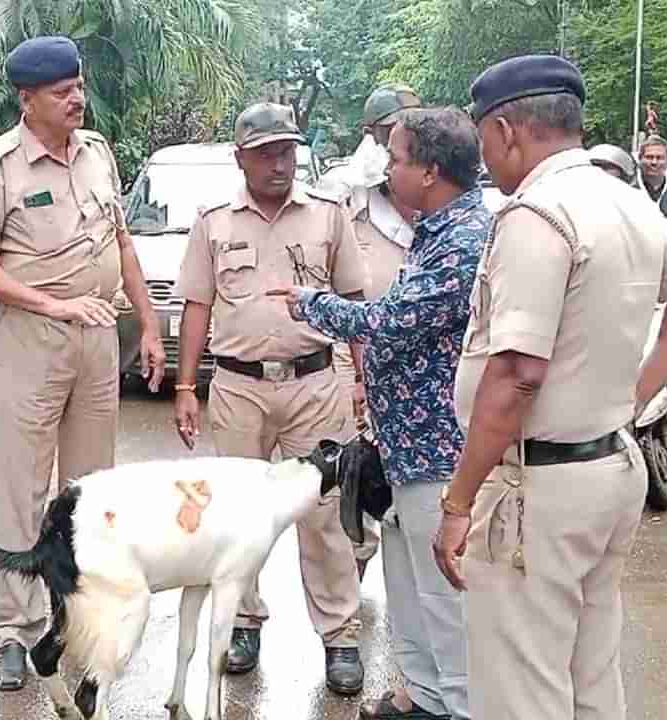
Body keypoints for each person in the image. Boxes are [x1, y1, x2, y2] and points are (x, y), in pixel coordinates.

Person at [433, 55, 667, 719]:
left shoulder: (537, 214)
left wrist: (458, 501)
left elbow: (516, 375)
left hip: (539, 488)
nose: (485, 163)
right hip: (608, 468)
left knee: (522, 690)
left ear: (506, 131)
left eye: (484, 145)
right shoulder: (627, 201)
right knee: (591, 675)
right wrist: (636, 395)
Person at [0, 35, 165, 692]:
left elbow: (120, 241)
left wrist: (150, 323)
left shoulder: (97, 151)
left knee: (89, 491)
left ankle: (72, 615)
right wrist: (55, 304)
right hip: (28, 343)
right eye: (61, 90)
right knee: (21, 491)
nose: (77, 98)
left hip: (97, 343)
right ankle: (9, 633)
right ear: (27, 99)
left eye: (78, 85)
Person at [273, 106, 484, 720]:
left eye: (396, 158)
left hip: (437, 447)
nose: (388, 169)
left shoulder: (465, 240)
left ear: (430, 171)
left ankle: (459, 704)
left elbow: (393, 323)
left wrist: (314, 304)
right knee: (409, 586)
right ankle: (423, 694)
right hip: (404, 447)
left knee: (444, 594)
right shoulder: (436, 230)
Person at [172, 102, 368, 695]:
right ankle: (244, 624)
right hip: (237, 388)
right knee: (238, 516)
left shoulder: (330, 217)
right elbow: (197, 308)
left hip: (314, 384)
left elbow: (355, 302)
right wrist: (186, 387)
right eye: (265, 153)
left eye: (286, 150)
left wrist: (361, 379)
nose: (279, 163)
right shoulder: (213, 224)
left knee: (325, 514)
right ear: (241, 159)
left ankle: (340, 636)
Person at [340, 83, 423, 581]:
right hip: (367, 363)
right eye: (391, 132)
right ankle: (356, 568)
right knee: (361, 478)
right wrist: (354, 374)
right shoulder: (348, 206)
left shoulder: (449, 201)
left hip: (429, 374)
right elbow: (340, 301)